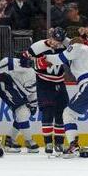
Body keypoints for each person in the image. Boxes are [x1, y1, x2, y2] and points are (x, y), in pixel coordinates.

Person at [37, 37, 88, 158]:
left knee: (68, 114)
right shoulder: (84, 52)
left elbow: (59, 58)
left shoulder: (77, 47)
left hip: (87, 84)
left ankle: (73, 145)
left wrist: (42, 58)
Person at [25, 27, 70, 156]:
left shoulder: (65, 43)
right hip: (44, 82)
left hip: (60, 82)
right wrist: (37, 63)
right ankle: (48, 142)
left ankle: (60, 143)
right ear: (50, 37)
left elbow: (77, 49)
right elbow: (24, 60)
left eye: (60, 41)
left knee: (61, 113)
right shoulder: (38, 46)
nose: (57, 43)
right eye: (56, 40)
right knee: (47, 112)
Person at [0, 56, 39, 153]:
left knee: (24, 114)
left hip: (19, 89)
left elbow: (33, 91)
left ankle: (10, 141)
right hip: (6, 85)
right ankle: (29, 141)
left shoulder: (34, 73)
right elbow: (5, 61)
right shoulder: (16, 63)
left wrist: (33, 105)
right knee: (22, 112)